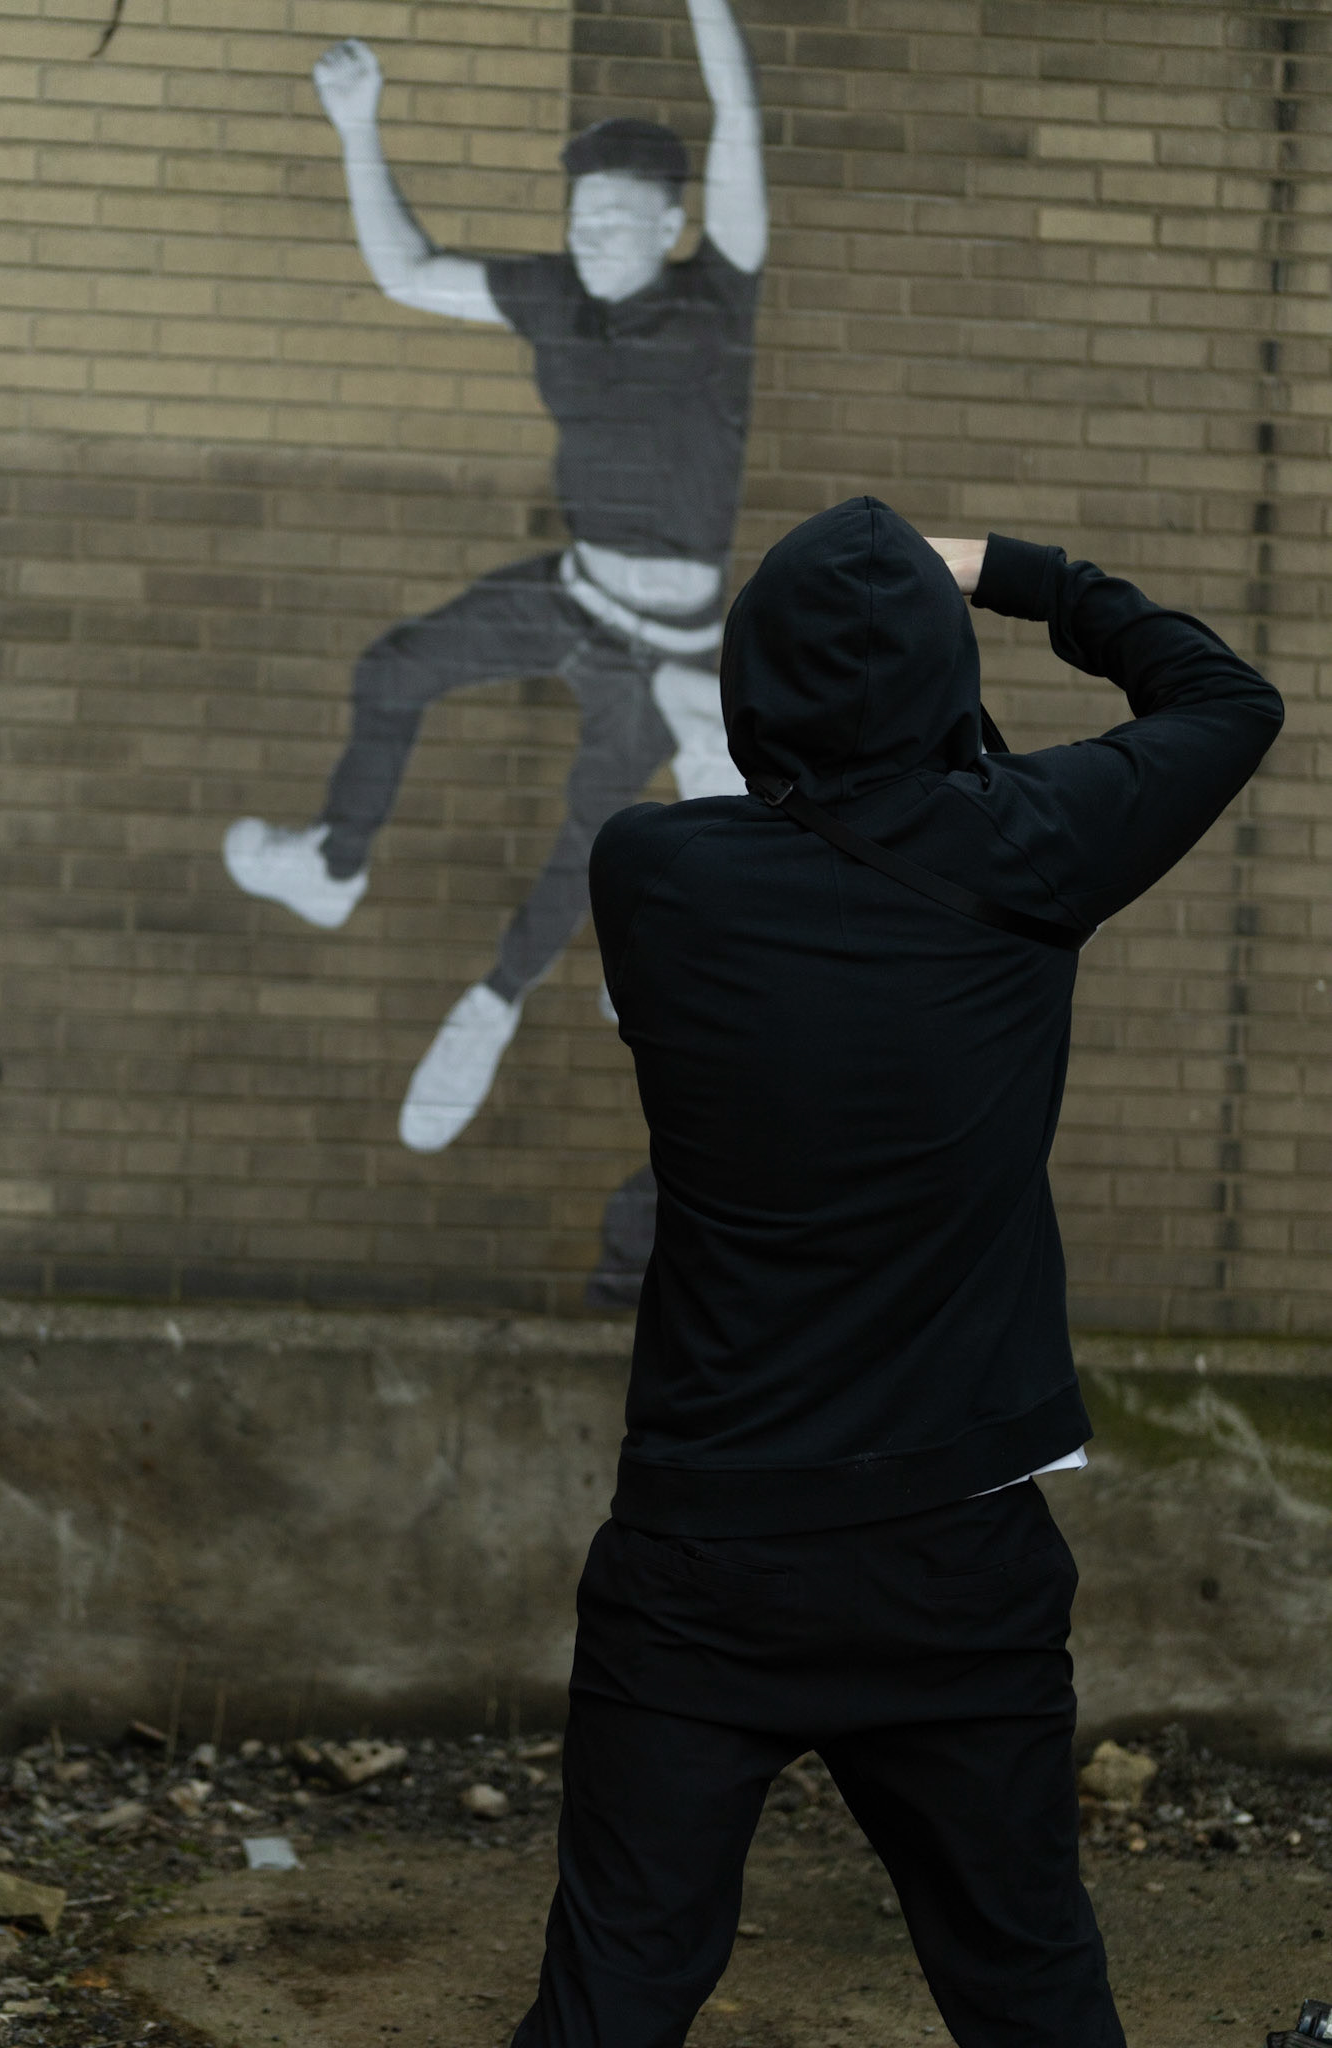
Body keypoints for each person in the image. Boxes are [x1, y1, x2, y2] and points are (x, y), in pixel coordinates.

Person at [507, 498, 1283, 2048]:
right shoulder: (1032, 854)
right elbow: (1224, 698)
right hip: (953, 1569)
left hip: (703, 1565)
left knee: (614, 1994)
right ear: (945, 692)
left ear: (749, 693)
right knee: (1026, 1985)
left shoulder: (654, 876)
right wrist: (999, 572)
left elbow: (848, 808)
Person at [222, 0, 766, 1156]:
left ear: (675, 221)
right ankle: (332, 862)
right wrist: (357, 125)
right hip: (570, 594)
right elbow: (411, 274)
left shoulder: (720, 296)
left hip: (666, 645)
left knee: (587, 844)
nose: (596, 232)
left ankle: (496, 1004)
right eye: (581, 214)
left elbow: (737, 118)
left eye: (621, 216)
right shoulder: (553, 299)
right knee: (396, 668)